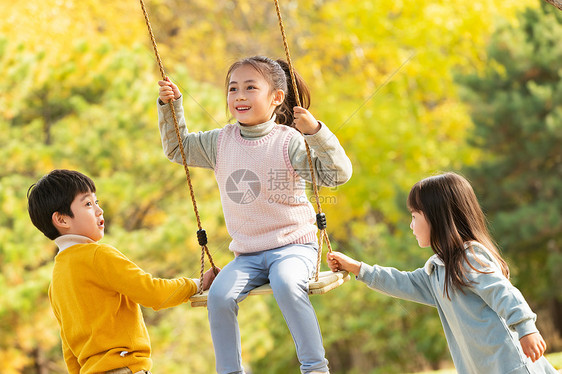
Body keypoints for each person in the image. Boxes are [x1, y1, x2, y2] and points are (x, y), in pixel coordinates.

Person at [157, 56, 352, 374]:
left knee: (288, 284)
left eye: (250, 87)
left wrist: (316, 132)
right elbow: (177, 149)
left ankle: (315, 367)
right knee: (219, 296)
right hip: (247, 254)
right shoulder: (219, 142)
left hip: (294, 247)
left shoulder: (288, 140)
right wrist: (170, 105)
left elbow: (337, 174)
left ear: (276, 97)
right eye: (233, 89)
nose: (240, 96)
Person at [327, 172, 558, 374]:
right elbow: (400, 282)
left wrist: (526, 328)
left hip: (510, 365)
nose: (411, 225)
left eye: (414, 216)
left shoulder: (468, 257)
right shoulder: (437, 270)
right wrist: (357, 267)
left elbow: (503, 292)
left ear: (438, 218)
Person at [27, 169, 218, 374]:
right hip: (124, 368)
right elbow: (153, 293)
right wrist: (198, 284)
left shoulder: (57, 277)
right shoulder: (97, 255)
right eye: (88, 204)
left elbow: (69, 348)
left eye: (96, 201)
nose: (99, 210)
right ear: (62, 220)